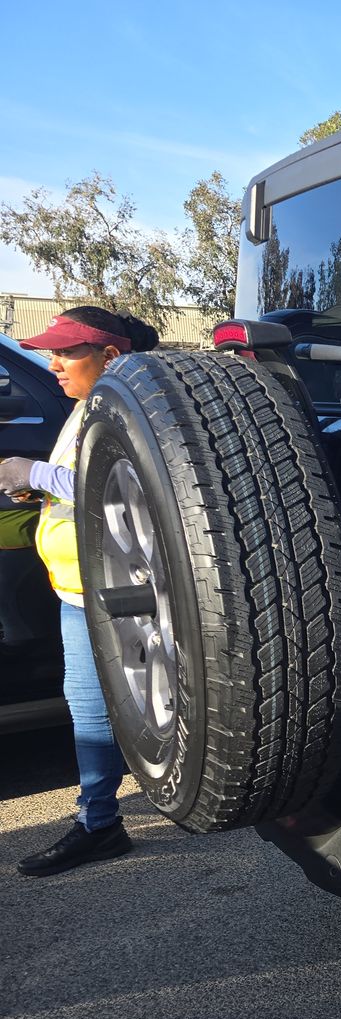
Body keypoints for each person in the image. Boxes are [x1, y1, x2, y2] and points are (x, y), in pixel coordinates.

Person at [1, 306, 159, 876]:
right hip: (79, 594)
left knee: (110, 709)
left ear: (110, 356)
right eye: (52, 351)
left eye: (67, 352)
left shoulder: (135, 410)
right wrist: (37, 491)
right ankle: (101, 823)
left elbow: (134, 488)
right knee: (89, 709)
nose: (53, 363)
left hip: (116, 596)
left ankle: (106, 822)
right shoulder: (87, 407)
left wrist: (35, 474)